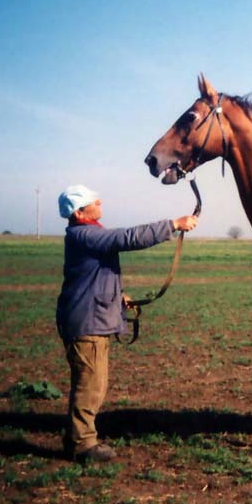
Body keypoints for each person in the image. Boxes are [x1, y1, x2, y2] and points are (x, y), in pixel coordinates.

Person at [56, 184, 198, 462]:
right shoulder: (85, 234)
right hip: (87, 323)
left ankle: (79, 437)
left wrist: (118, 297)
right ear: (80, 211)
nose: (100, 201)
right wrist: (174, 224)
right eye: (93, 201)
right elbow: (128, 237)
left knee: (94, 383)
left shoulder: (86, 234)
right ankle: (81, 444)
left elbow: (94, 276)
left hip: (89, 317)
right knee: (89, 385)